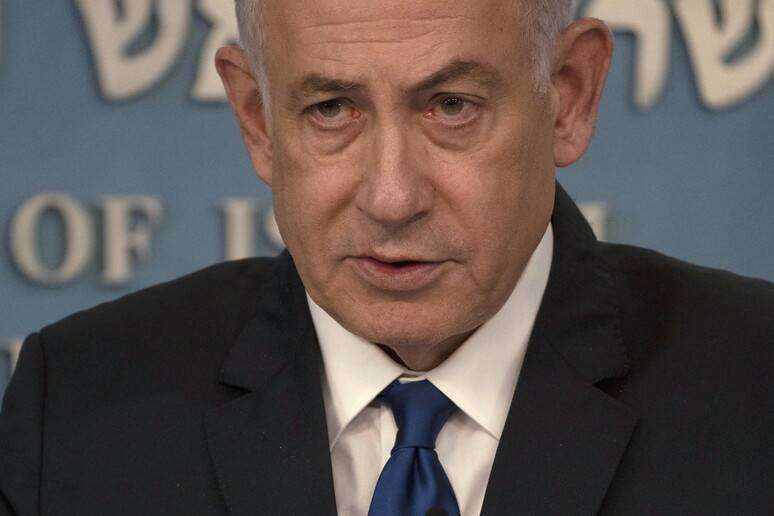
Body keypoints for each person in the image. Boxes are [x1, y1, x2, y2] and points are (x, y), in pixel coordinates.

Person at [1, 0, 771, 514]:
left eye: (452, 107)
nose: (392, 197)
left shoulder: (755, 386)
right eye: (331, 109)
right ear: (257, 118)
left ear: (568, 95)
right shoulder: (73, 411)